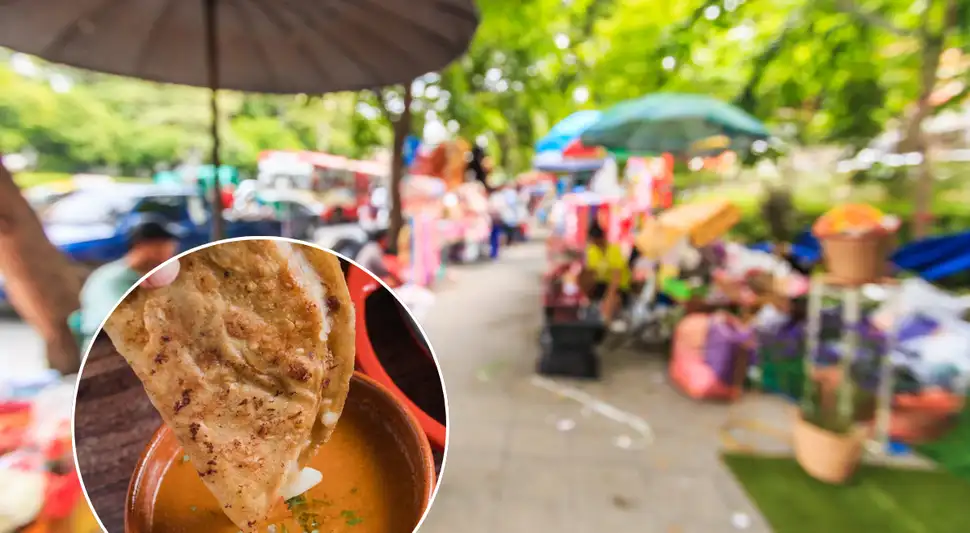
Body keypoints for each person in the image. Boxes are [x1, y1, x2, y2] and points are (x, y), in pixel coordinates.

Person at [77, 213, 184, 350]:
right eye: (165, 245)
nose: (171, 251)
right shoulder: (111, 279)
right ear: (145, 246)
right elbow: (122, 322)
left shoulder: (145, 278)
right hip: (104, 351)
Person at [582, 222, 632, 331]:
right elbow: (591, 273)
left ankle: (607, 324)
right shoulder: (592, 251)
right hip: (602, 284)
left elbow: (616, 278)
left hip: (620, 285)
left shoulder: (614, 250)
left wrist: (609, 296)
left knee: (612, 298)